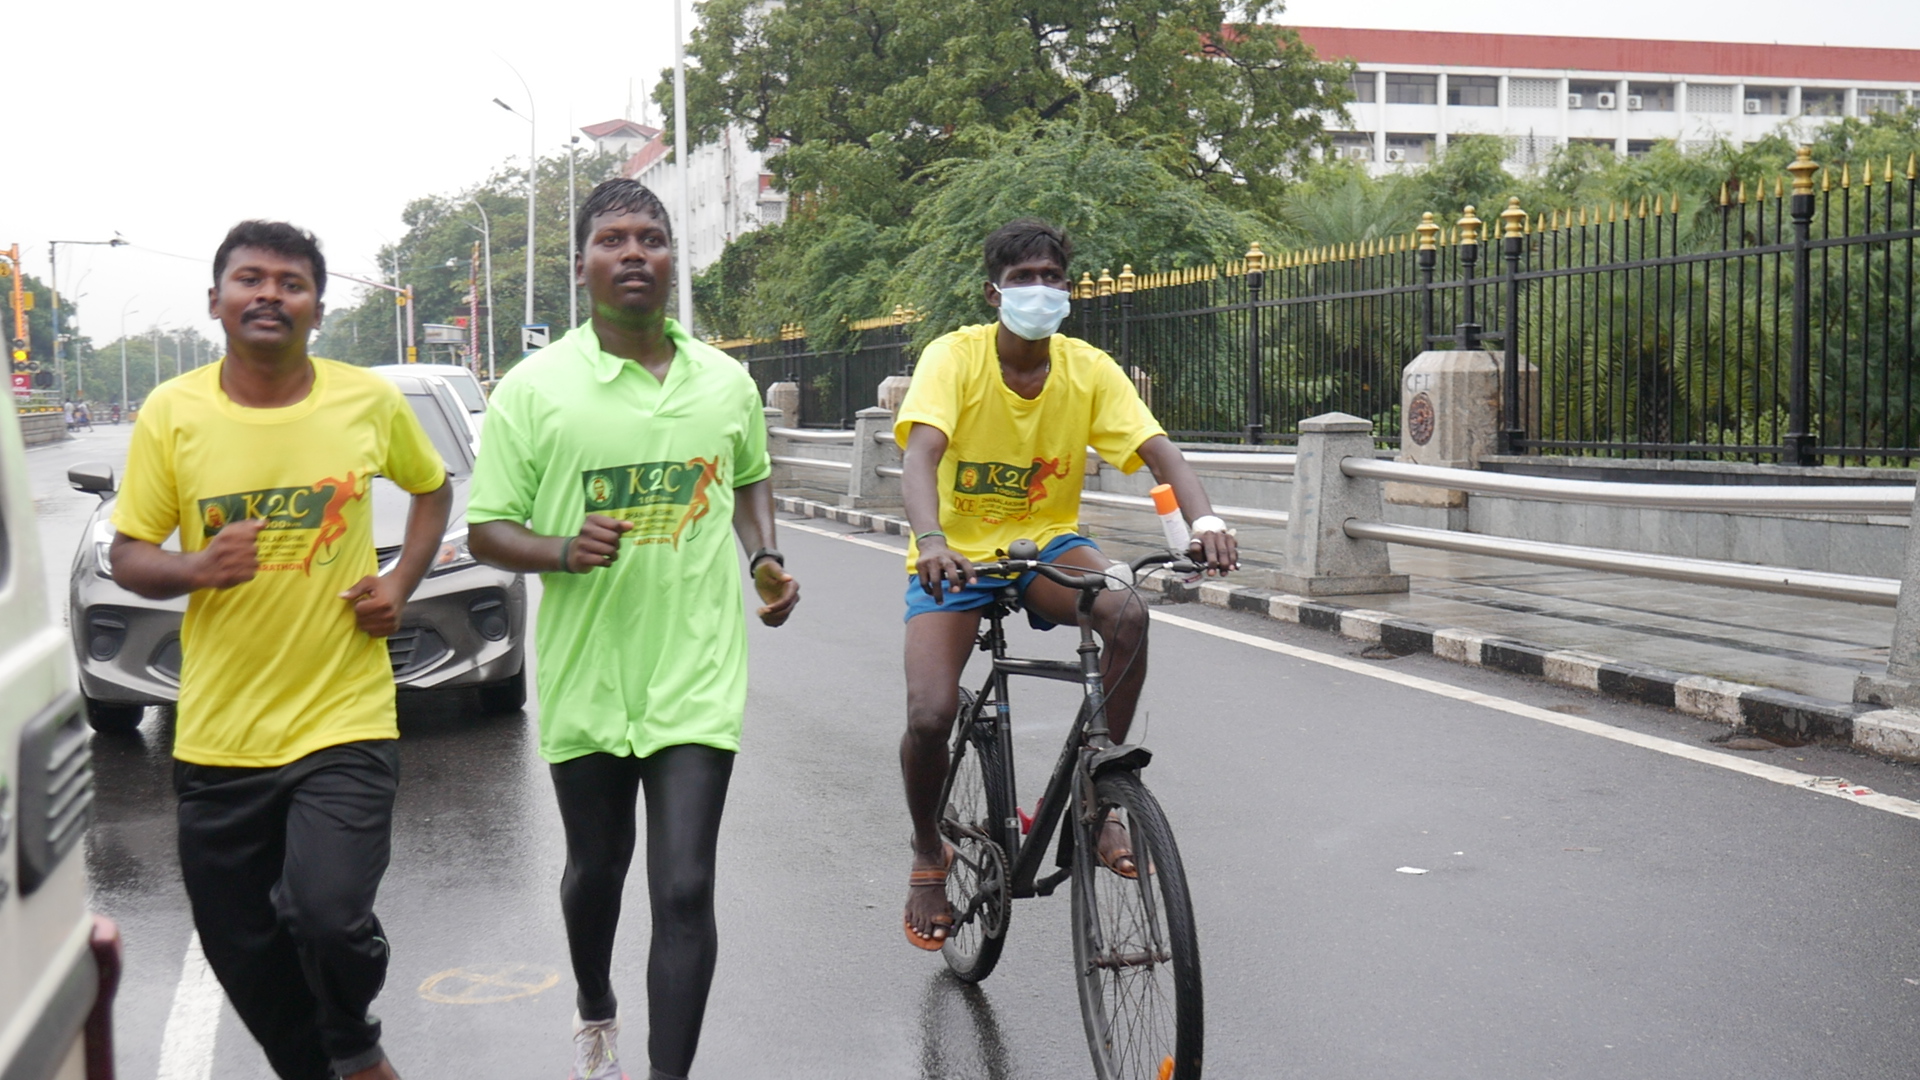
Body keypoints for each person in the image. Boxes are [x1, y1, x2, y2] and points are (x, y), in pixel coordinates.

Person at [467, 178, 800, 1080]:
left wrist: (764, 561)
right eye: (612, 239)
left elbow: (750, 478)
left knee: (685, 887)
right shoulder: (534, 391)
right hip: (588, 677)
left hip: (696, 672)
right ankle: (594, 1000)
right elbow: (486, 528)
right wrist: (562, 549)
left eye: (650, 237)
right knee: (597, 872)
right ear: (583, 266)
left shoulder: (725, 382)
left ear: (670, 257)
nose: (634, 253)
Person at [109, 221, 452, 1080]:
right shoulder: (173, 412)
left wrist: (400, 583)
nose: (270, 294)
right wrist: (197, 565)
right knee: (244, 952)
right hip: (220, 734)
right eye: (250, 279)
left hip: (344, 716)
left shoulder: (364, 402)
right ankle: (322, 1063)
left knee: (329, 914)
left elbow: (432, 491)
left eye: (290, 283)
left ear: (318, 310)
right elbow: (128, 553)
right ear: (217, 301)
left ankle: (353, 1040)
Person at [895, 218, 1239, 949]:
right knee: (928, 714)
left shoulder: (1087, 368)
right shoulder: (953, 358)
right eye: (1025, 279)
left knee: (1126, 614)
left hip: (1044, 545)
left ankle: (1098, 789)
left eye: (1054, 277)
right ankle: (929, 851)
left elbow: (1159, 453)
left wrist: (1204, 522)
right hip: (954, 554)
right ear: (994, 292)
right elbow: (922, 455)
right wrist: (931, 540)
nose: (1042, 290)